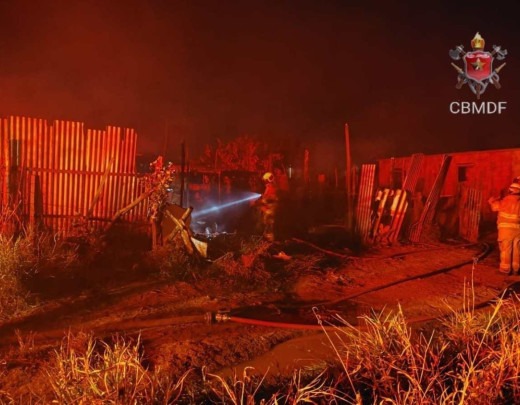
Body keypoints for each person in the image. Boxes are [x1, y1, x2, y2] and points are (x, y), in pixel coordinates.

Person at [488, 182, 520, 275]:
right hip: (518, 230)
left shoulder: (505, 201)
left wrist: (492, 200)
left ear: (510, 191)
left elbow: (494, 207)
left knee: (506, 249)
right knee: (517, 249)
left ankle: (505, 270)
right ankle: (516, 269)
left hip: (505, 230)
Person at [258, 172, 279, 241]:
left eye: (265, 180)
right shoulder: (271, 187)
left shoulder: (270, 188)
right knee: (268, 225)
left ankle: (270, 240)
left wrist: (262, 200)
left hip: (270, 210)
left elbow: (269, 199)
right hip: (269, 209)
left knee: (269, 225)